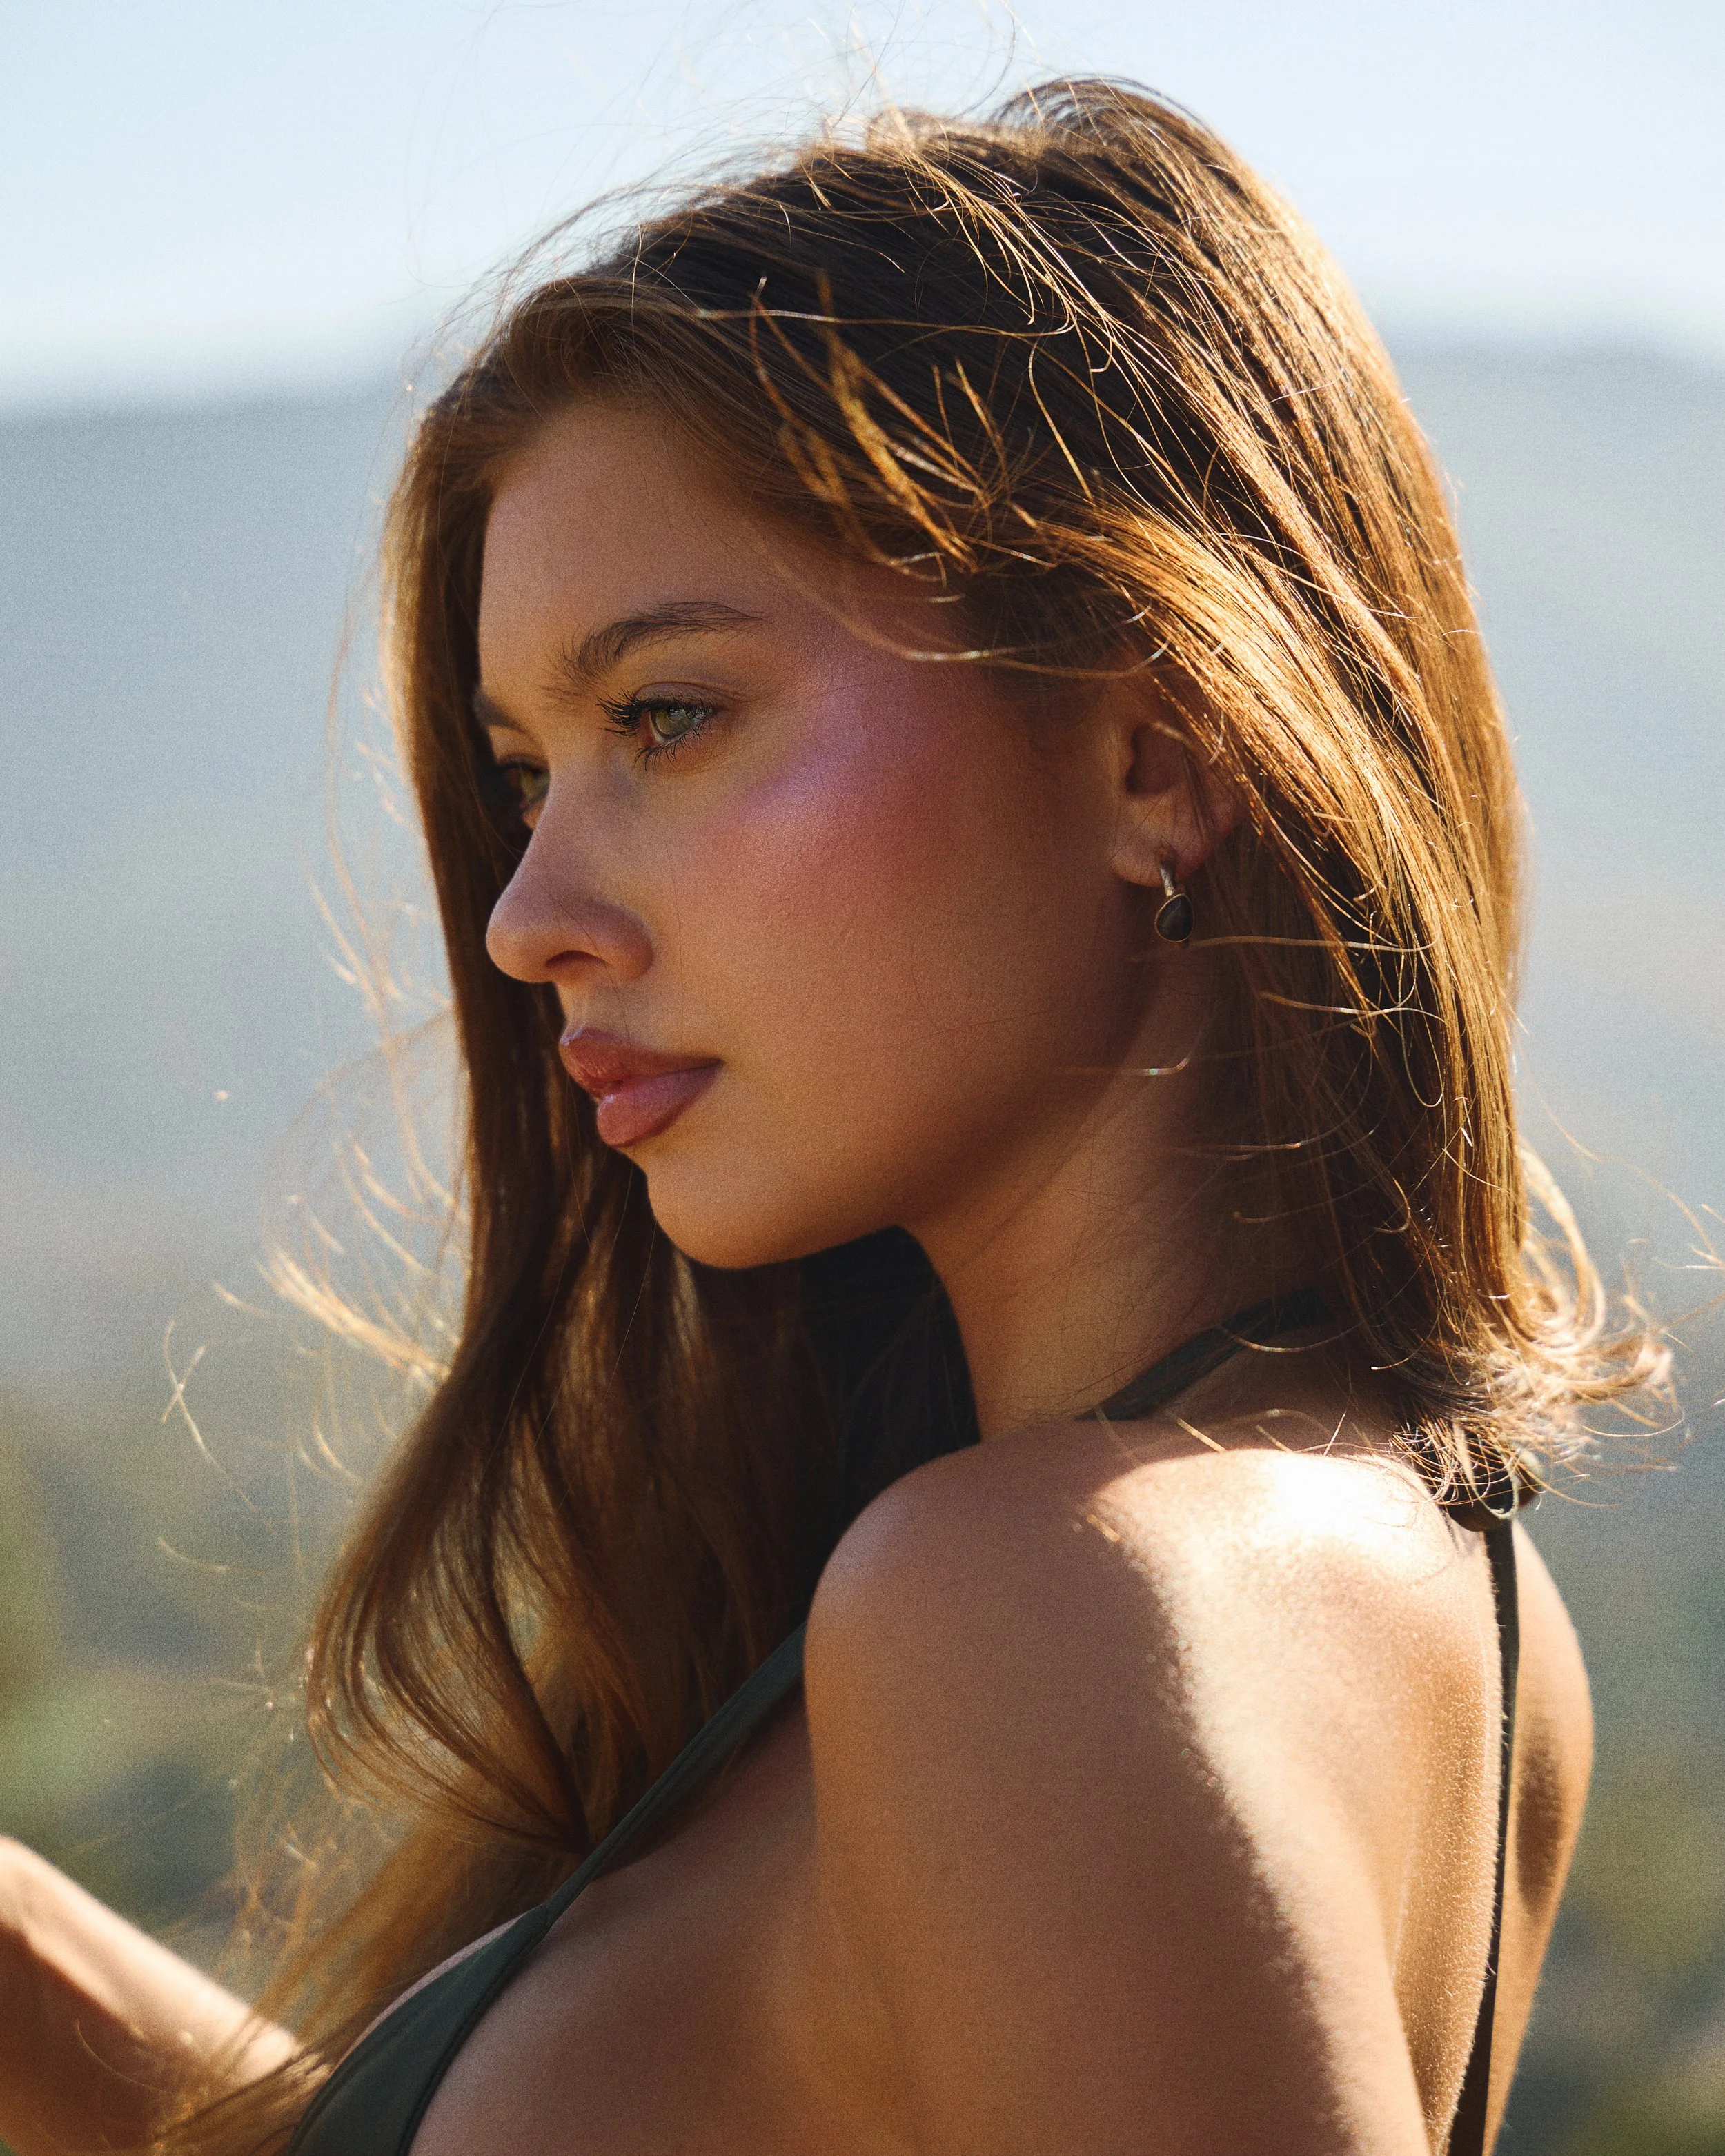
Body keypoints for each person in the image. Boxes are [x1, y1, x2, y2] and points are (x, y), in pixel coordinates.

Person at [0, 78, 1662, 2156]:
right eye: (525, 773)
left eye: (667, 716)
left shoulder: (1042, 1606)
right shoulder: (1382, 1558)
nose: (526, 920)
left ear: (1160, 750)